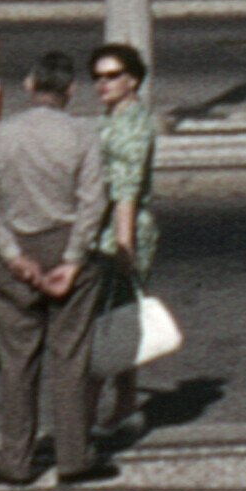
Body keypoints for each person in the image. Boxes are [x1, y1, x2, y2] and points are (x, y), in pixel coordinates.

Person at [0, 50, 112, 489]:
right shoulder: (83, 134)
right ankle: (74, 457)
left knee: (16, 363)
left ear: (29, 86)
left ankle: (15, 461)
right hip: (66, 243)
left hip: (16, 250)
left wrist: (13, 255)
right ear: (71, 89)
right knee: (71, 358)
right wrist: (73, 259)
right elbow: (93, 203)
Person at [87, 41, 157, 446]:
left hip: (119, 231)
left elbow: (126, 191)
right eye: (98, 77)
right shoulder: (112, 116)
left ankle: (84, 416)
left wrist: (124, 246)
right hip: (105, 227)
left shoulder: (132, 124)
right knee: (119, 322)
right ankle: (125, 405)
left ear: (133, 79)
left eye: (113, 76)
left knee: (103, 321)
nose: (103, 83)